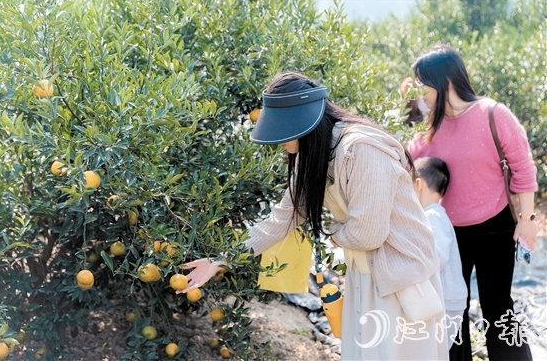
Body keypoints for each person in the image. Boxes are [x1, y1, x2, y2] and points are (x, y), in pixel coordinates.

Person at [179, 71, 449, 360]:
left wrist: (335, 233)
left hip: (400, 276)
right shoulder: (314, 156)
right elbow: (280, 220)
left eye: (283, 131)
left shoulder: (361, 149)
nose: (279, 141)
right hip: (368, 274)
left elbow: (368, 234)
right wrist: (222, 260)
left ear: (304, 125)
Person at [408, 44, 538, 361]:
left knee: (498, 305)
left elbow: (524, 169)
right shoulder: (429, 129)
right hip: (449, 234)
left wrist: (527, 220)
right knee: (453, 308)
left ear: (444, 82)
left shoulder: (494, 114)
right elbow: (406, 168)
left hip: (495, 227)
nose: (419, 91)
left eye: (422, 84)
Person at [412, 157, 467, 349]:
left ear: (417, 184)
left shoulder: (433, 217)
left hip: (445, 301)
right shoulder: (432, 216)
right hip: (443, 299)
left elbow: (437, 257)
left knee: (433, 351)